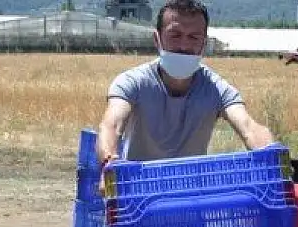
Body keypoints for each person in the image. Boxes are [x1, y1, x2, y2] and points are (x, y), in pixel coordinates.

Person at [95, 0, 275, 167]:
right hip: (140, 186)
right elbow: (112, 125)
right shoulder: (132, 82)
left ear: (204, 44)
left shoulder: (216, 89)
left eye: (194, 37)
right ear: (157, 39)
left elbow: (249, 127)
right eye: (175, 35)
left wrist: (271, 156)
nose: (184, 46)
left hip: (190, 190)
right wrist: (109, 162)